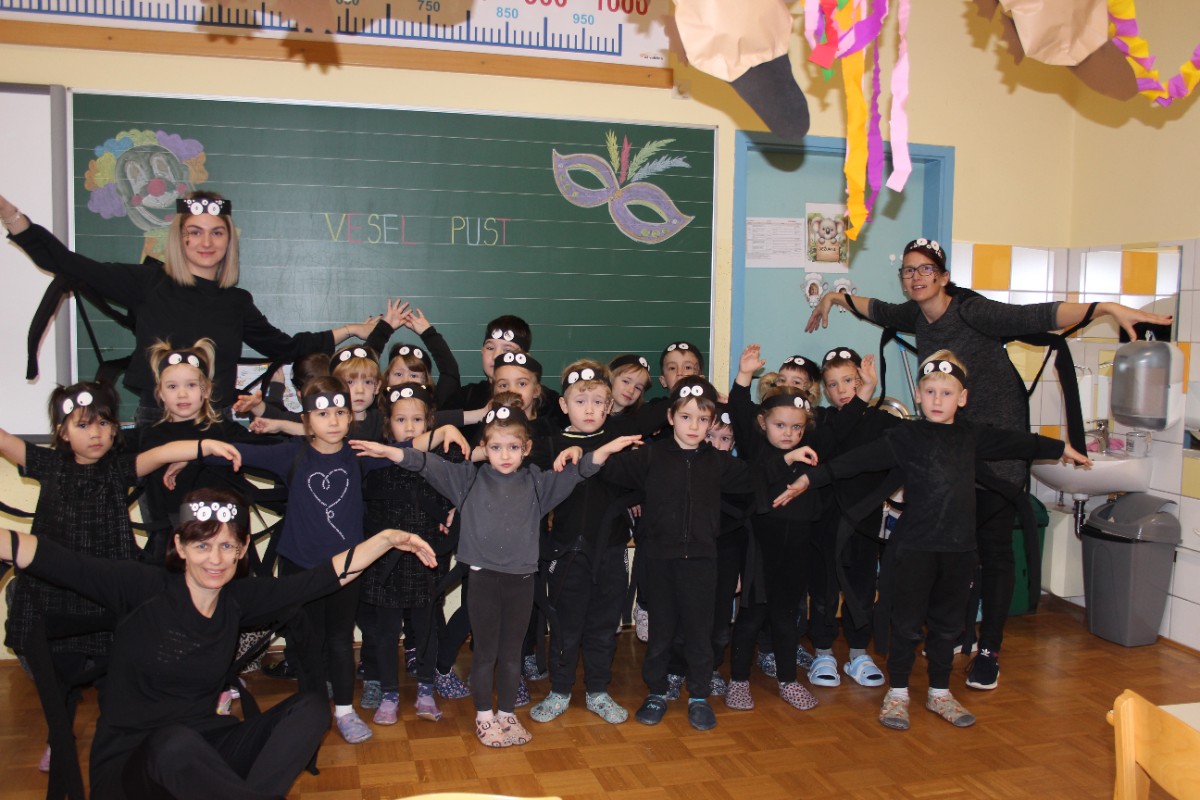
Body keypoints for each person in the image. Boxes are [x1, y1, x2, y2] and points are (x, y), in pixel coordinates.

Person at [805, 236, 1172, 690]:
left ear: (943, 276)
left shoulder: (973, 311)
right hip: (952, 451)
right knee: (954, 551)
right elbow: (875, 309)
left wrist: (1104, 308)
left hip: (997, 449)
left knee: (994, 552)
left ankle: (989, 651)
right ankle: (955, 632)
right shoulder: (915, 315)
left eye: (926, 269)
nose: (917, 277)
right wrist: (834, 298)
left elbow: (1036, 315)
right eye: (909, 270)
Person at [0, 486, 436, 800]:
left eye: (228, 546)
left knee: (310, 708)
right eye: (203, 545)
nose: (216, 559)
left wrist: (387, 539)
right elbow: (51, 558)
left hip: (204, 748)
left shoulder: (238, 600)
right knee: (173, 744)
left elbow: (324, 578)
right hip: (132, 763)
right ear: (180, 545)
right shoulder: (142, 587)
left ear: (243, 549)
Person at [773, 351, 1090, 731]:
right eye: (930, 392)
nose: (938, 400)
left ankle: (940, 692)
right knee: (906, 626)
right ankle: (898, 694)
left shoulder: (971, 436)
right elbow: (854, 462)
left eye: (946, 392)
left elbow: (1016, 442)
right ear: (918, 396)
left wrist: (1060, 448)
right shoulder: (905, 437)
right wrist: (809, 479)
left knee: (947, 626)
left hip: (959, 551)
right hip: (914, 549)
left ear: (962, 398)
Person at [350, 405, 638, 747]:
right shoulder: (467, 479)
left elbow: (580, 472)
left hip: (521, 581)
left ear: (526, 448)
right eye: (497, 447)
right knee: (486, 653)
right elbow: (423, 463)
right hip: (483, 580)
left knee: (511, 654)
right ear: (484, 448)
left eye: (513, 447)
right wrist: (388, 452)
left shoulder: (537, 483)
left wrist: (606, 449)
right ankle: (484, 716)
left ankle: (506, 714)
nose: (505, 455)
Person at [195, 376, 462, 743]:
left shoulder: (358, 453)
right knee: (308, 642)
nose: (333, 420)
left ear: (350, 417)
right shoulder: (290, 453)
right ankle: (313, 710)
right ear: (306, 420)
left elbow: (404, 448)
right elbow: (227, 452)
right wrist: (186, 454)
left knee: (339, 640)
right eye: (322, 414)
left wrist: (446, 430)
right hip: (300, 568)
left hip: (346, 568)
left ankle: (345, 710)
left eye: (340, 412)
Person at [0, 383, 241, 771]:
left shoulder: (118, 469)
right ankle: (58, 737)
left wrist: (206, 446)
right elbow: (5, 440)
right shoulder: (47, 464)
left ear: (114, 429)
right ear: (63, 432)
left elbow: (163, 452)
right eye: (82, 425)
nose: (95, 433)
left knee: (118, 676)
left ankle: (119, 738)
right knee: (57, 673)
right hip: (54, 593)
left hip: (109, 594)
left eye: (104, 423)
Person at [0, 190, 379, 420]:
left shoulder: (236, 302)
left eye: (216, 233)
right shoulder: (149, 284)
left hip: (216, 425)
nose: (206, 242)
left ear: (229, 241)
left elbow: (288, 347)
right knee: (167, 528)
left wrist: (351, 330)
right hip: (158, 424)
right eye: (194, 232)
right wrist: (12, 216)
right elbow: (67, 263)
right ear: (179, 238)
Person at [594, 376, 753, 732]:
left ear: (712, 422)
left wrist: (788, 458)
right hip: (659, 560)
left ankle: (698, 695)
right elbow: (608, 471)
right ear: (670, 417)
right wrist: (596, 451)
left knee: (699, 632)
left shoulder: (718, 462)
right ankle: (657, 691)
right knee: (662, 631)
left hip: (702, 562)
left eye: (702, 419)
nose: (694, 426)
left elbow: (760, 476)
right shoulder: (651, 456)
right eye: (685, 417)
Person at [528, 360, 635, 725]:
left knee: (604, 625)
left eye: (598, 402)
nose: (589, 409)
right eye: (580, 401)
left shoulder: (619, 444)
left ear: (609, 406)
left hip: (611, 551)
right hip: (566, 552)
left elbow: (635, 483)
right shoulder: (549, 446)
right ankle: (559, 690)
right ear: (563, 405)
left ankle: (598, 691)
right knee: (565, 624)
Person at [723, 345, 825, 712]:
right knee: (752, 617)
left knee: (785, 617)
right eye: (780, 425)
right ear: (763, 422)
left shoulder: (810, 449)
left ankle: (787, 680)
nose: (789, 433)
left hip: (795, 550)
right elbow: (739, 409)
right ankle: (738, 681)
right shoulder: (756, 450)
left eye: (796, 427)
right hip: (760, 552)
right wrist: (743, 375)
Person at [358, 383, 458, 725]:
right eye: (401, 420)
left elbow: (459, 490)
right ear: (388, 422)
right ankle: (389, 692)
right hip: (384, 562)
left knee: (426, 628)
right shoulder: (375, 460)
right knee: (385, 632)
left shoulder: (438, 461)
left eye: (417, 419)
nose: (410, 427)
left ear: (429, 422)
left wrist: (453, 509)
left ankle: (426, 690)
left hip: (425, 561)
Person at [806, 347, 896, 689]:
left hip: (864, 525)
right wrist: (864, 396)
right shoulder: (823, 420)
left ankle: (859, 653)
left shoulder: (883, 422)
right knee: (824, 588)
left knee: (862, 588)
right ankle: (823, 652)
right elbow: (828, 446)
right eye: (833, 384)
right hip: (825, 523)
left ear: (862, 379)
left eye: (849, 381)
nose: (842, 390)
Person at [137, 338, 261, 563]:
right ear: (160, 393)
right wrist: (195, 451)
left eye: (191, 385)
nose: (182, 394)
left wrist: (264, 414)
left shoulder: (223, 430)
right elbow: (133, 467)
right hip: (172, 542)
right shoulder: (151, 435)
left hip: (223, 538)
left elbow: (263, 450)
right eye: (172, 387)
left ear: (206, 390)